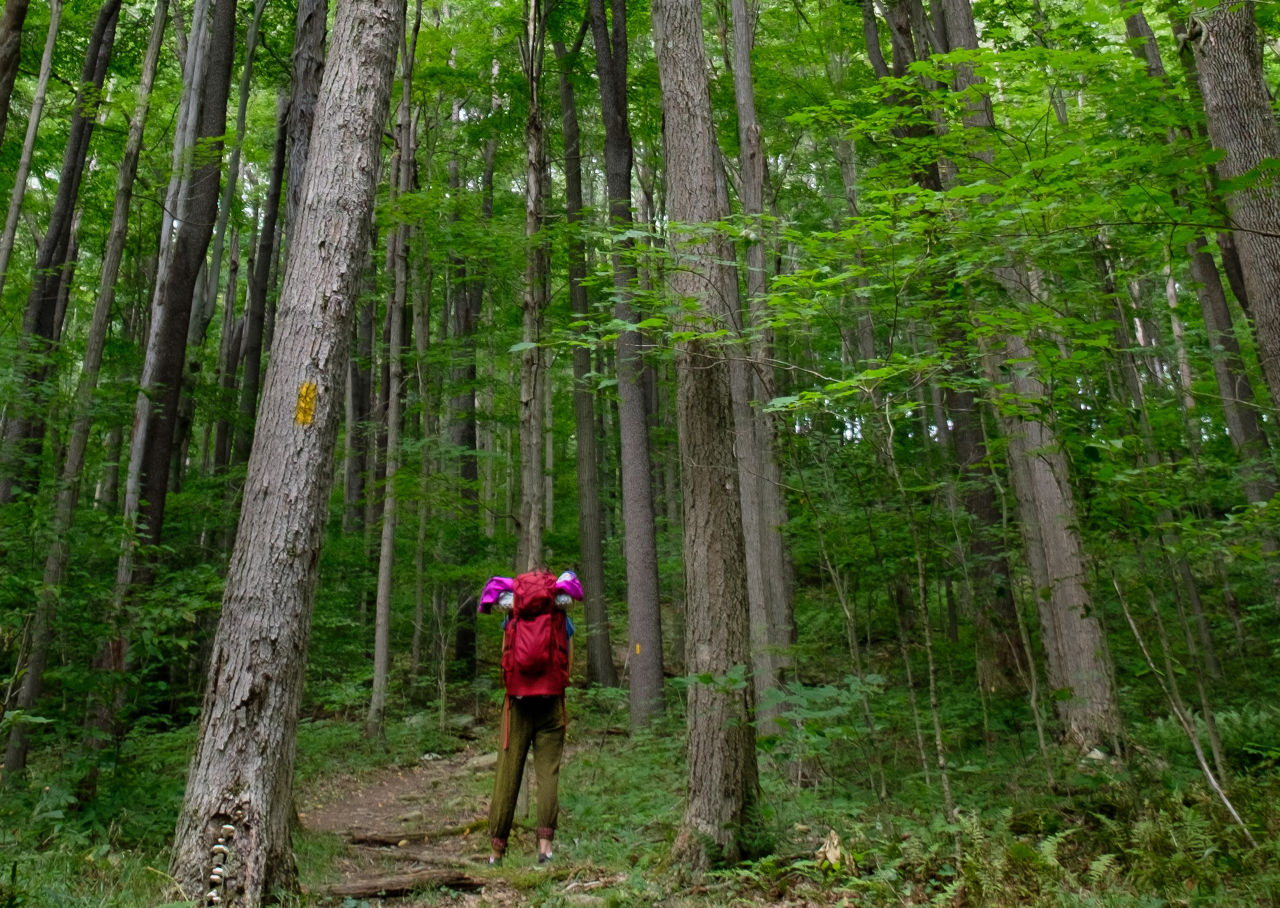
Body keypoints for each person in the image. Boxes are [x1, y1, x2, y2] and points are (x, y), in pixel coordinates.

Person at [478, 569, 583, 865]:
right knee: (548, 774)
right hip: (551, 703)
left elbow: (505, 656)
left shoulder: (514, 616)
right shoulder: (562, 618)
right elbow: (569, 662)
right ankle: (545, 849)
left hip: (517, 704)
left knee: (507, 774)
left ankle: (496, 852)